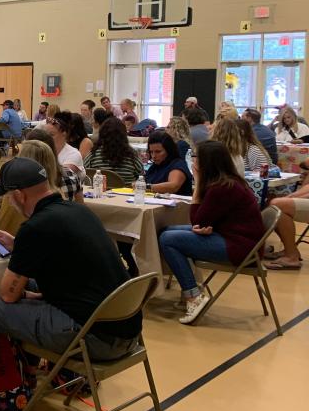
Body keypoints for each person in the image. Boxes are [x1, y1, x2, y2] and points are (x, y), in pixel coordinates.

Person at [0, 158, 141, 411]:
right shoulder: (78, 212)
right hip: (127, 332)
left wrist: (24, 279)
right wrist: (20, 248)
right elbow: (66, 264)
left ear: (19, 195)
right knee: (31, 285)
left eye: (8, 198)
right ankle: (21, 372)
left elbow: (7, 296)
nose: (8, 204)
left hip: (95, 340)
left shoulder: (36, 227)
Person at [159, 141, 264, 323]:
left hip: (240, 248)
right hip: (237, 239)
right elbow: (201, 223)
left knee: (168, 239)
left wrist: (198, 183)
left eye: (196, 157)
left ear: (206, 163)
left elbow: (196, 220)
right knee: (167, 230)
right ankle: (192, 289)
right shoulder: (228, 182)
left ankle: (193, 295)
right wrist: (205, 226)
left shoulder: (221, 188)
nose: (193, 161)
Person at [21, 131, 84, 203]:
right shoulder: (70, 176)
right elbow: (81, 207)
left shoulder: (18, 184)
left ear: (25, 153)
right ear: (53, 150)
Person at [83, 116, 145, 184]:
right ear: (124, 135)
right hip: (127, 193)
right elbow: (142, 178)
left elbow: (84, 172)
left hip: (100, 192)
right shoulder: (132, 156)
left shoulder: (93, 155)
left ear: (102, 134)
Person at [144, 130, 193, 196]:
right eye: (151, 152)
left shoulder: (177, 164)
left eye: (158, 152)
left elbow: (173, 186)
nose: (154, 156)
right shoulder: (155, 166)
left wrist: (146, 187)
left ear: (169, 150)